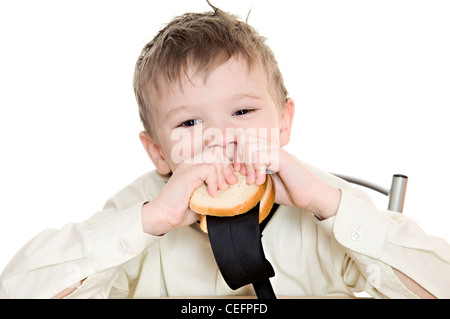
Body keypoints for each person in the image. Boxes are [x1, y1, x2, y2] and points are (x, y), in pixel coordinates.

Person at [1, 3, 449, 299]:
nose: (220, 137)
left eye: (242, 111)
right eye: (190, 123)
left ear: (283, 122)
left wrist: (328, 205)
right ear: (158, 153)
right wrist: (149, 221)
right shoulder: (143, 209)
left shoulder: (325, 200)